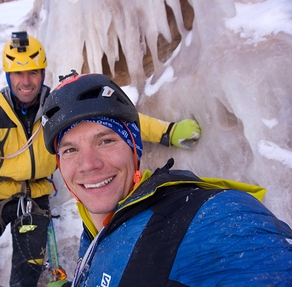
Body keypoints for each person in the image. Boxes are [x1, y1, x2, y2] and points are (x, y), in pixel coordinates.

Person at [0, 31, 201, 287]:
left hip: (34, 199)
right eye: (18, 74)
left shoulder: (56, 105)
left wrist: (167, 132)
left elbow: (114, 115)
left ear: (42, 73)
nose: (26, 81)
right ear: (8, 76)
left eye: (32, 72)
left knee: (25, 278)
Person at [41, 72, 292, 287]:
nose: (88, 165)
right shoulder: (92, 231)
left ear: (134, 147)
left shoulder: (205, 217)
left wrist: (168, 132)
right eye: (70, 150)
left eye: (106, 141)